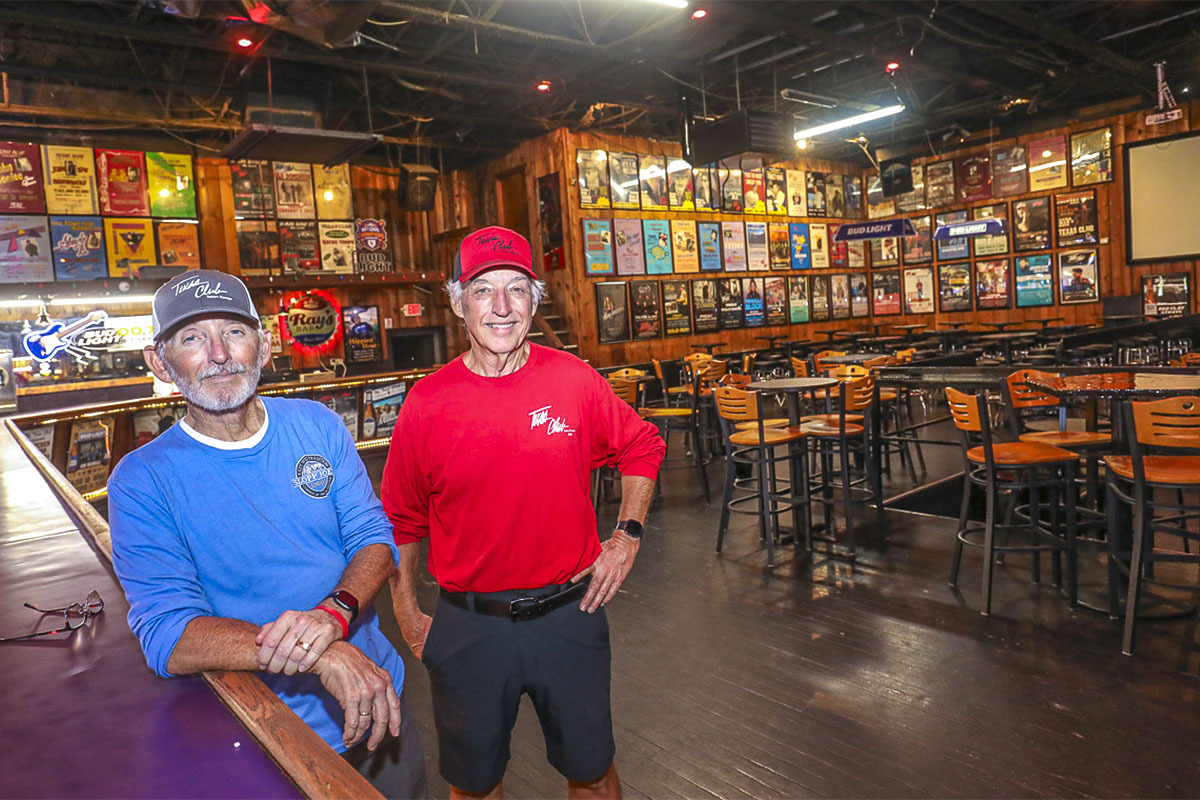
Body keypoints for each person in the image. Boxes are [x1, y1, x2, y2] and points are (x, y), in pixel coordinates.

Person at [107, 269, 426, 798]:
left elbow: (374, 535)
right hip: (260, 734)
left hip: (377, 702)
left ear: (265, 343)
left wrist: (334, 612)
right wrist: (320, 651)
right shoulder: (142, 481)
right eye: (191, 338)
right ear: (159, 362)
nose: (218, 354)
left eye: (233, 331)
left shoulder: (317, 423)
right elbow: (168, 635)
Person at [382, 226, 665, 800]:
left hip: (571, 612)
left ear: (535, 300)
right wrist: (408, 613)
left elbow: (642, 445)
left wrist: (627, 535)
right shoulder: (427, 403)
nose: (503, 307)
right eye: (484, 290)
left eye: (517, 288)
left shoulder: (573, 380)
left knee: (592, 771)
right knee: (475, 785)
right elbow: (402, 519)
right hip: (470, 625)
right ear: (459, 303)